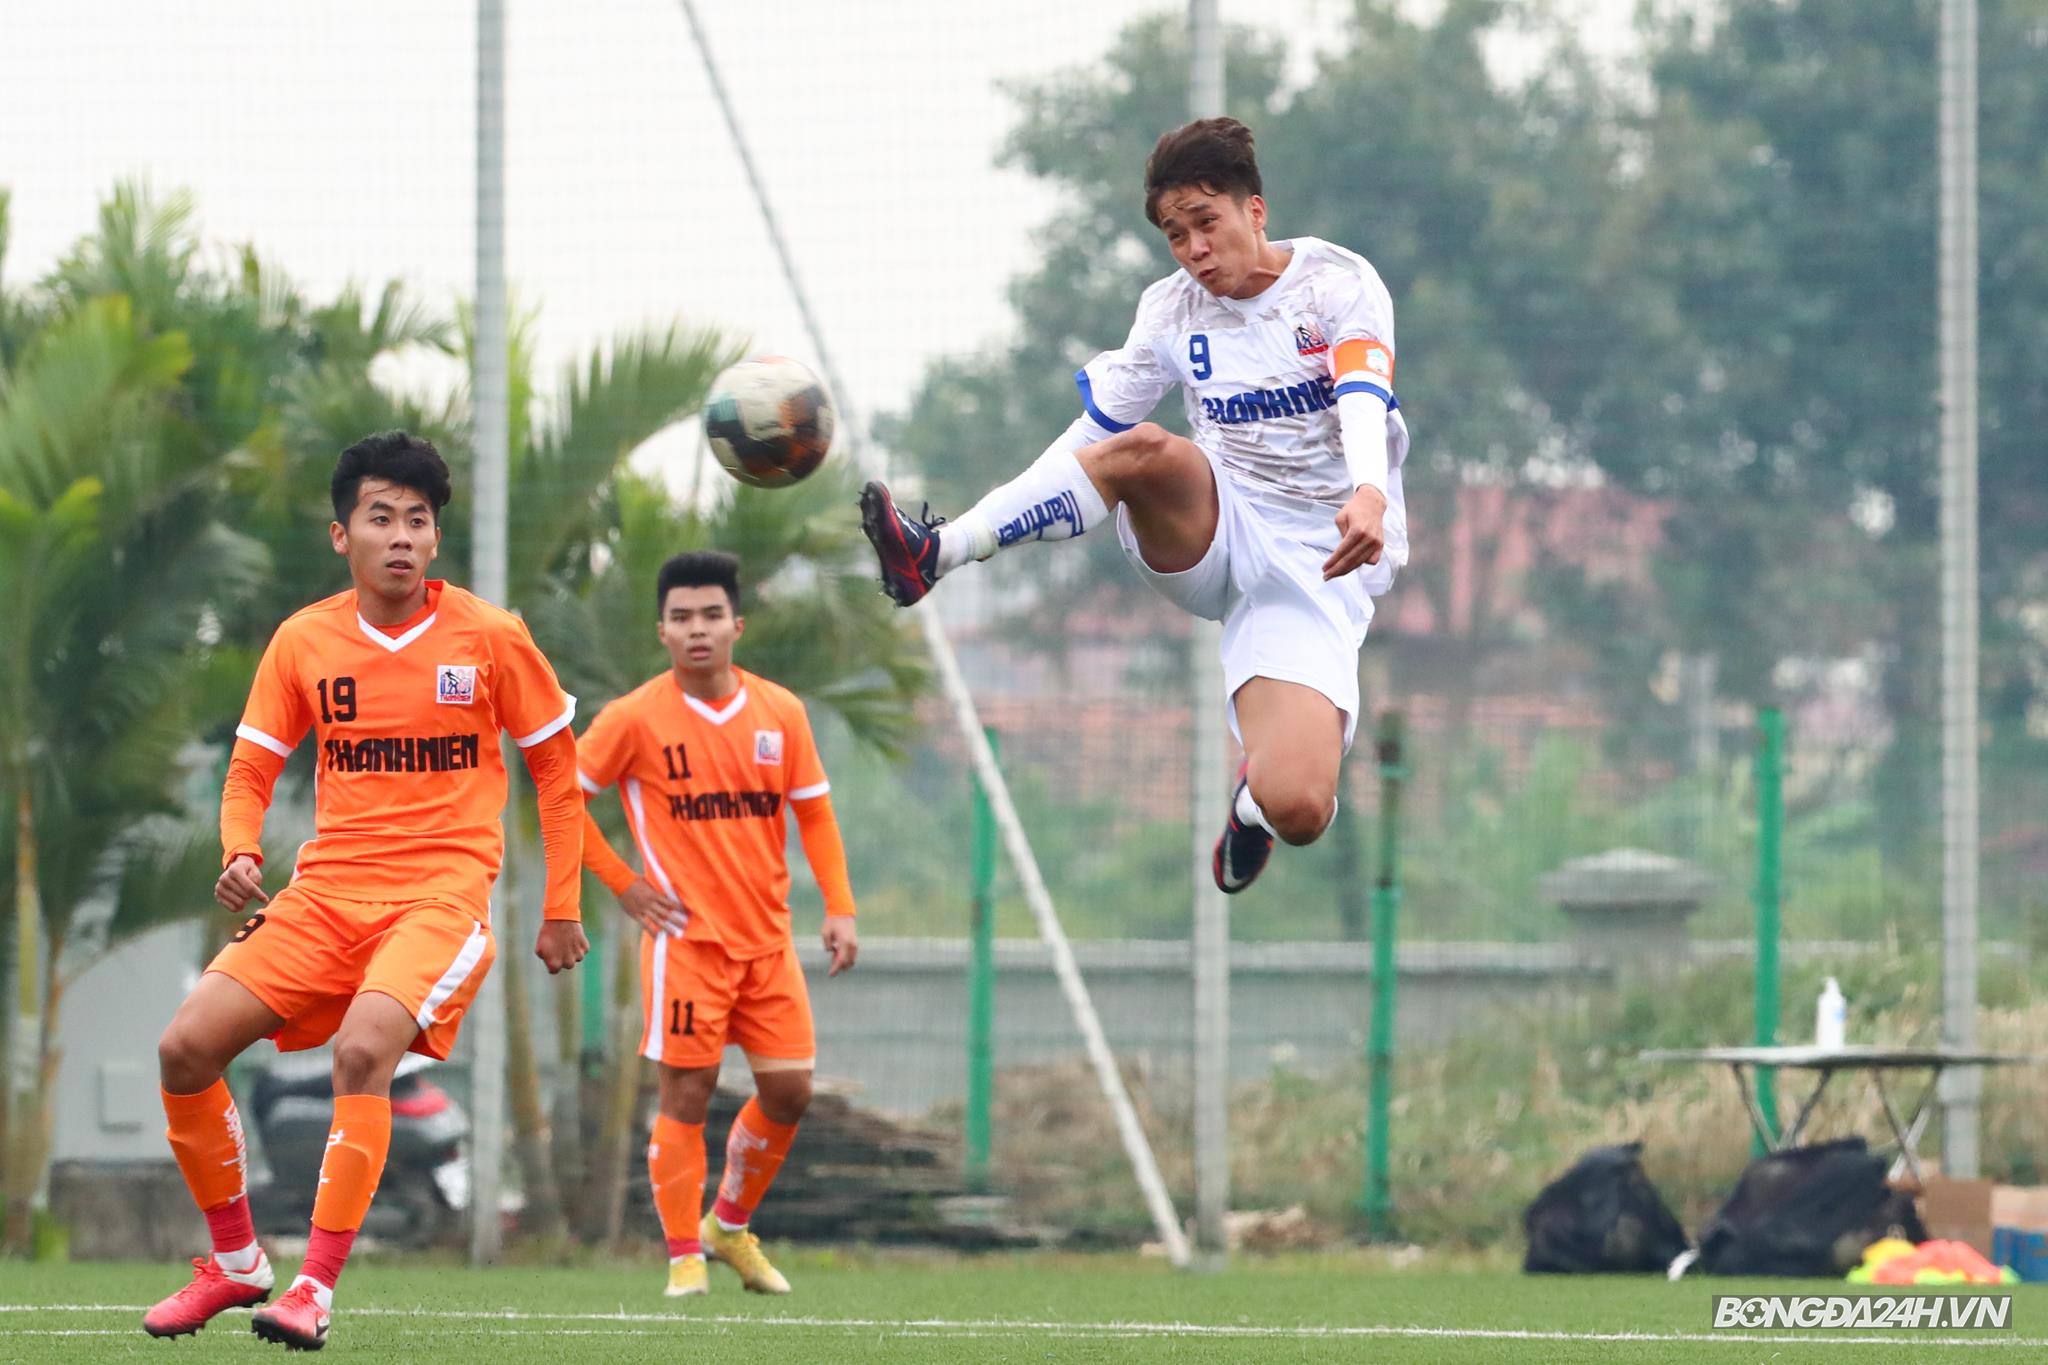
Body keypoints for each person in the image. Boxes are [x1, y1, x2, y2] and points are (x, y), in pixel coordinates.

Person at [860, 116, 1409, 894]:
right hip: (1213, 524)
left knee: (1301, 807)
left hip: (1319, 563)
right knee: (1147, 448)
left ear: (1256, 210)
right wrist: (969, 530)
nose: (1194, 249)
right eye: (1175, 235)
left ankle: (1250, 809)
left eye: (1206, 223)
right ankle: (934, 554)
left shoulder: (1337, 285)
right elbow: (1092, 441)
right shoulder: (1170, 312)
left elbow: (1362, 392)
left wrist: (1369, 491)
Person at [146, 431, 588, 1350]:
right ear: (341, 534)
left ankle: (312, 1286)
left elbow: (555, 768)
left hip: (441, 896)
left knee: (362, 1050)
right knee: (185, 1048)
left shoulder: (490, 636)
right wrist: (239, 847)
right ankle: (237, 1262)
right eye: (380, 517)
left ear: (435, 538)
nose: (401, 536)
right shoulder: (304, 640)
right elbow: (250, 768)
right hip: (326, 892)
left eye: (418, 520)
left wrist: (561, 906)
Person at [576, 550, 859, 1299]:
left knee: (790, 1091)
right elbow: (560, 798)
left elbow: (815, 812)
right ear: (662, 632)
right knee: (687, 1095)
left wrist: (840, 906)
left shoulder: (781, 712)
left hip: (768, 944)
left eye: (710, 615)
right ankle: (682, 1256)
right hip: (686, 945)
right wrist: (624, 884)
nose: (697, 629)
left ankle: (726, 1226)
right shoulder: (633, 717)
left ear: (737, 625)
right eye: (681, 617)